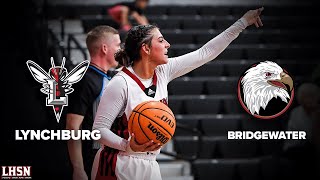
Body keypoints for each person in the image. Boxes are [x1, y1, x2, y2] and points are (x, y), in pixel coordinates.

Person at [92, 7, 264, 180]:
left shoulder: (163, 71)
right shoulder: (121, 83)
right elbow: (98, 130)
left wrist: (242, 23)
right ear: (146, 48)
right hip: (118, 163)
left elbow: (204, 53)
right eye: (161, 40)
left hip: (150, 164)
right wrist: (127, 145)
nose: (168, 44)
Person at [66, 25, 121, 180]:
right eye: (117, 45)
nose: (120, 49)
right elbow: (72, 126)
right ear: (104, 48)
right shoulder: (85, 80)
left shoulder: (108, 77)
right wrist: (78, 169)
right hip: (90, 160)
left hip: (106, 159)